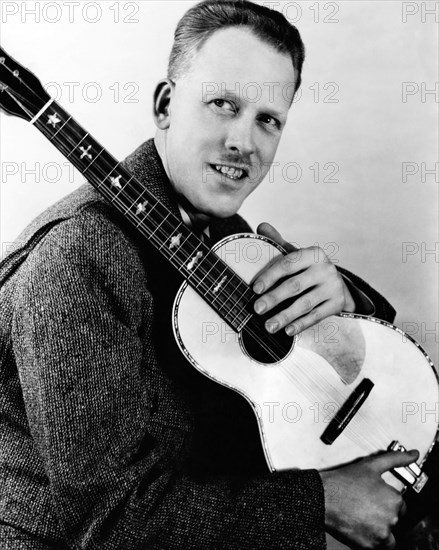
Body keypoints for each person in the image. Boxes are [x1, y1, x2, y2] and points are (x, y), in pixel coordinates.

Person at [0, 1, 422, 548]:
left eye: (267, 119)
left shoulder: (229, 239)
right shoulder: (79, 258)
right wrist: (322, 500)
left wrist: (344, 302)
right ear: (166, 105)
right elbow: (111, 523)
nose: (243, 142)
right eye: (223, 103)